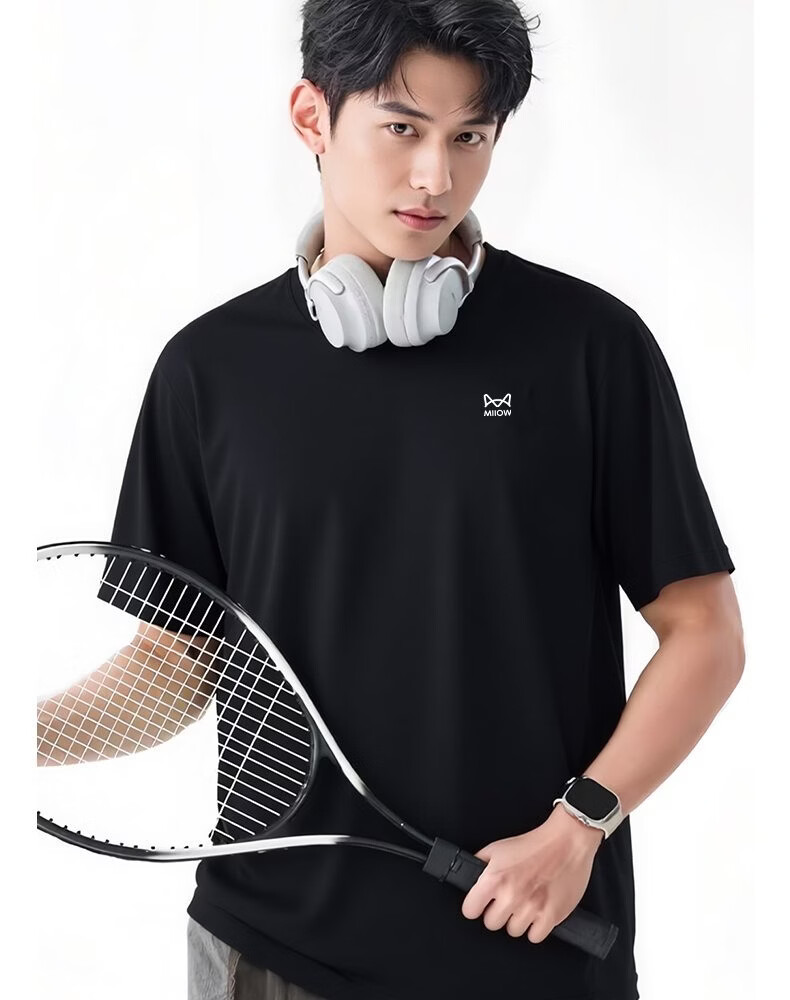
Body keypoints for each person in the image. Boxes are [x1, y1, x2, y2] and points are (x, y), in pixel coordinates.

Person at [107, 2, 744, 998]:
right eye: (401, 128)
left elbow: (705, 634)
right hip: (270, 951)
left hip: (537, 943)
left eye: (470, 137)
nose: (435, 178)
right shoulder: (208, 371)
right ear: (312, 117)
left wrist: (580, 825)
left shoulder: (588, 347)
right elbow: (173, 662)